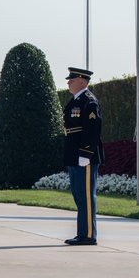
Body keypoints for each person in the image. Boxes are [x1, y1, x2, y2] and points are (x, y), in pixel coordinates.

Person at [62, 67, 103, 245]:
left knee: (86, 195)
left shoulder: (89, 101)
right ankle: (82, 233)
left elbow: (92, 130)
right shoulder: (75, 101)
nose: (68, 82)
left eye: (71, 80)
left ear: (81, 81)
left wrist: (86, 153)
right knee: (78, 195)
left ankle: (88, 235)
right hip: (74, 154)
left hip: (84, 155)